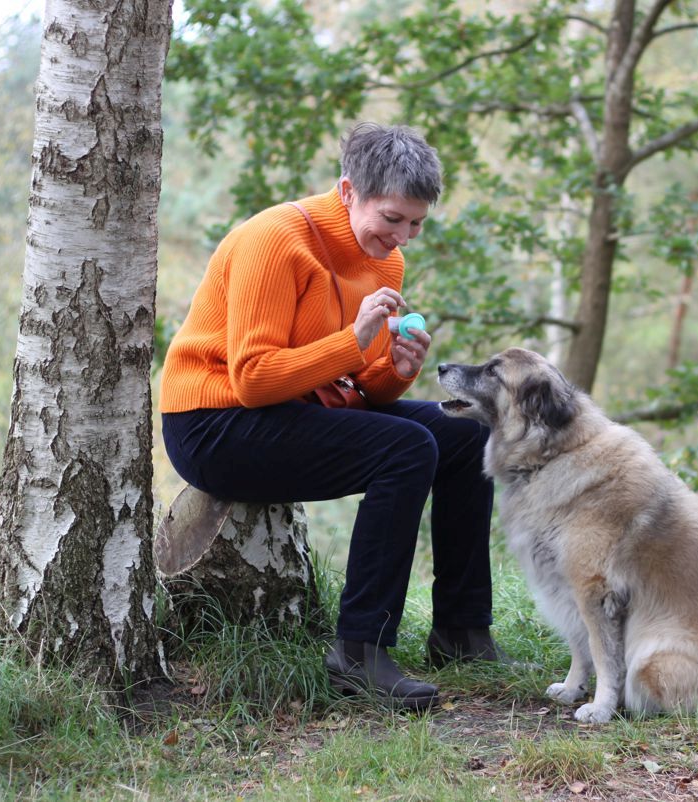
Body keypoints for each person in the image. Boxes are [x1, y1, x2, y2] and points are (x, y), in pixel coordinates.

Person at [159, 122, 502, 711]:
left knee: (465, 430)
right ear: (348, 192)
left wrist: (395, 368)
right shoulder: (275, 241)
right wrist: (353, 341)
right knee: (406, 448)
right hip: (213, 421)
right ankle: (360, 651)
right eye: (391, 219)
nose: (402, 238)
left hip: (296, 407)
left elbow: (358, 395)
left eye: (416, 223)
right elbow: (254, 378)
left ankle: (462, 631)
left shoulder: (383, 263)